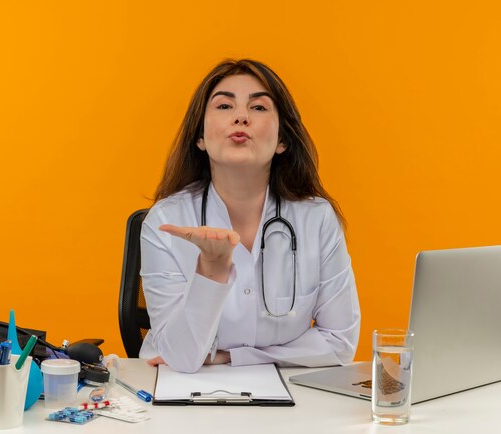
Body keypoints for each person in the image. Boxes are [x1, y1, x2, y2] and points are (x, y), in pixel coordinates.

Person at [139, 59, 360, 373]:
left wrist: (233, 357)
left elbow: (340, 342)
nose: (241, 117)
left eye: (258, 108)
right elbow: (181, 358)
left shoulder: (317, 219)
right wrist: (212, 270)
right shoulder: (165, 222)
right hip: (183, 397)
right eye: (225, 105)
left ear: (283, 140)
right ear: (199, 137)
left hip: (291, 400)